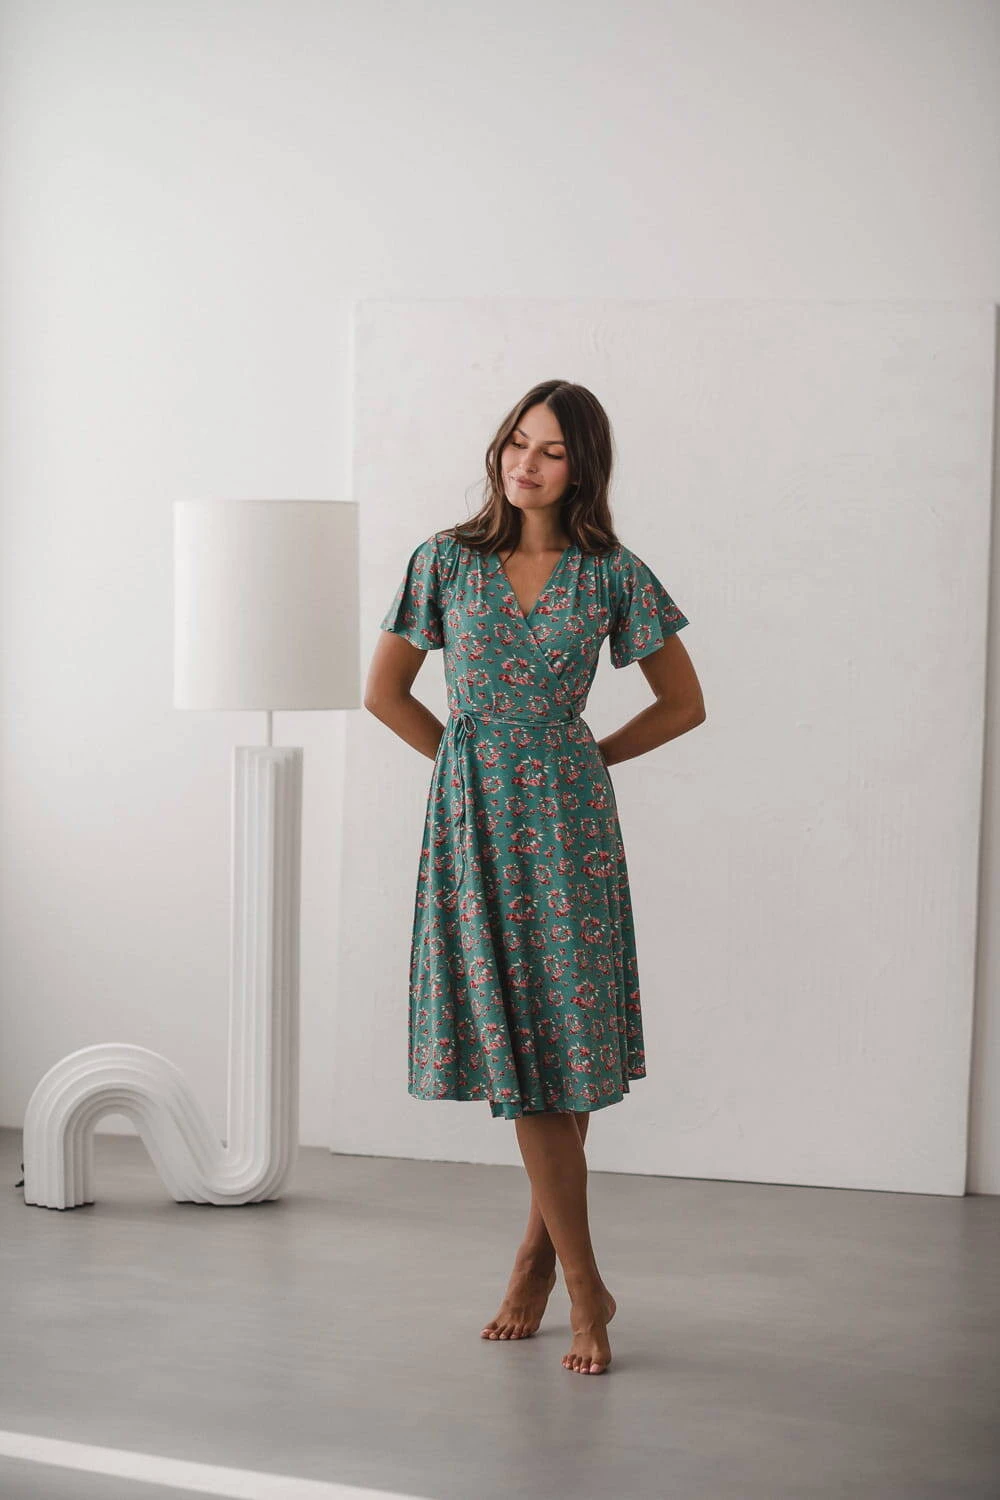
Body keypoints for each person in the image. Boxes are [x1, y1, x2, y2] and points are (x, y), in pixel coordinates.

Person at [365, 379, 706, 1375]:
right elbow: (385, 692)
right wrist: (465, 770)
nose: (526, 463)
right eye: (518, 441)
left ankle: (548, 1269)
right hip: (475, 824)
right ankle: (576, 1278)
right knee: (527, 1052)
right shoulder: (444, 560)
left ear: (581, 466)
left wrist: (587, 756)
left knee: (562, 1043)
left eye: (551, 450)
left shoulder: (610, 574)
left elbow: (683, 703)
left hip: (569, 826)